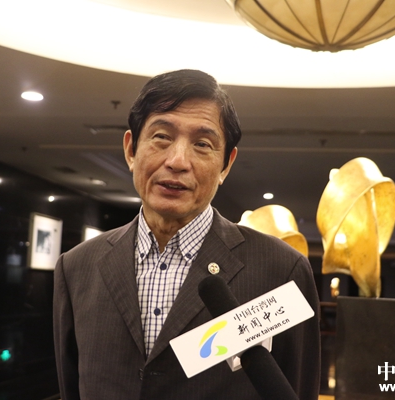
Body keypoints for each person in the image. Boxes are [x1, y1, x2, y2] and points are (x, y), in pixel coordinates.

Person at [53, 69, 320, 399]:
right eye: (161, 137)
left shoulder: (282, 270)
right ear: (131, 149)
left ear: (226, 165)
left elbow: (296, 388)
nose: (178, 161)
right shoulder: (77, 267)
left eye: (202, 144)